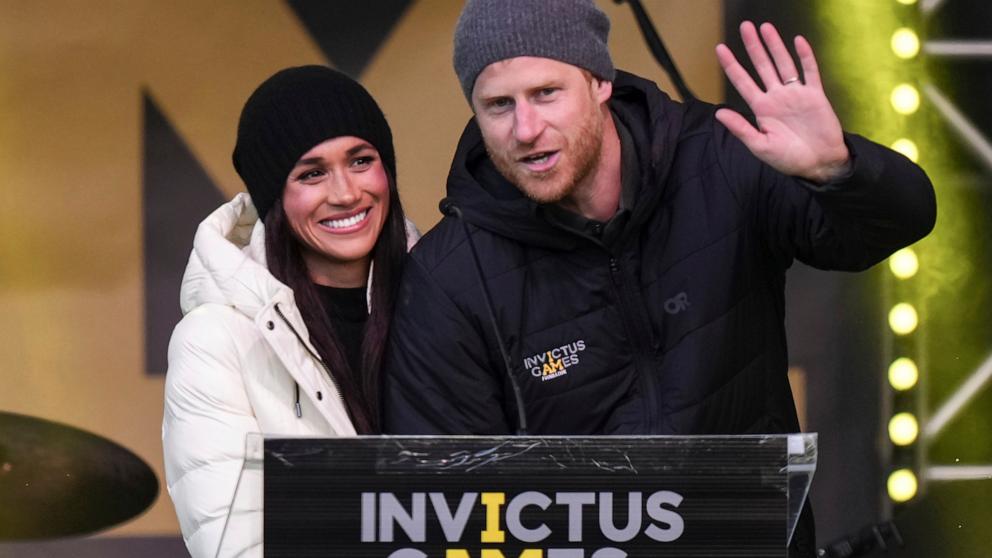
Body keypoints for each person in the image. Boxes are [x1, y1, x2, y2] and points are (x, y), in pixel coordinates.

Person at [380, 1, 936, 556]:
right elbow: (448, 503)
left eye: (546, 93)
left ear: (600, 81)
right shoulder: (449, 277)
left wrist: (837, 168)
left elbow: (894, 225)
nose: (526, 129)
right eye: (498, 104)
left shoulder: (717, 161)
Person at [162, 66, 416, 558]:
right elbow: (239, 547)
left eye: (361, 160)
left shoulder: (442, 297)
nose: (345, 193)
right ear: (274, 197)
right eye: (312, 173)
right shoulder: (215, 339)